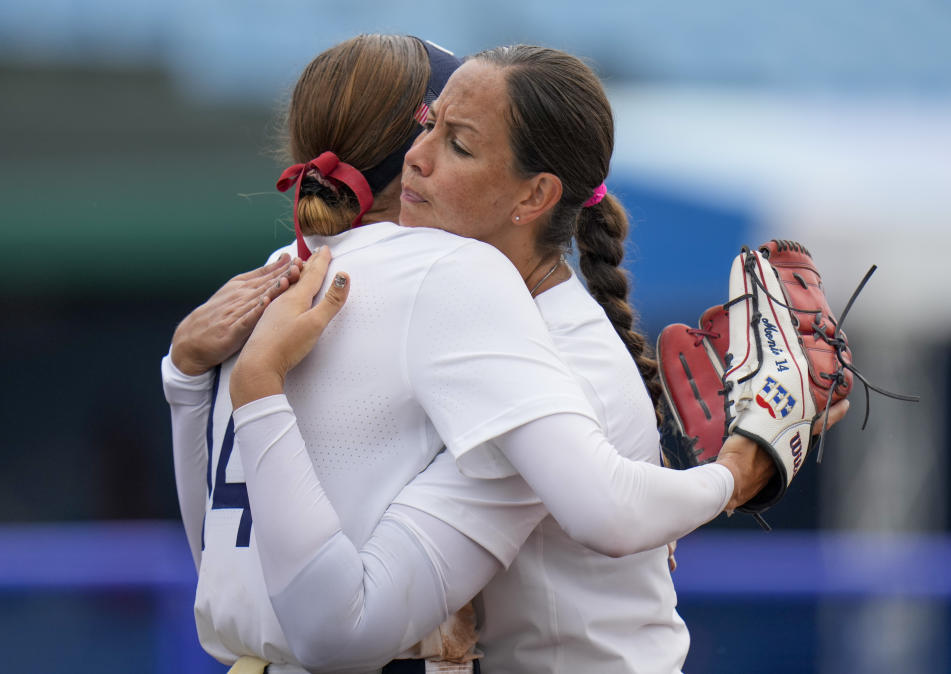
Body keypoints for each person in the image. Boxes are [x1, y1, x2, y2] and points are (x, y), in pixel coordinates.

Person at [164, 38, 842, 673]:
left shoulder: (304, 282)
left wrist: (738, 469)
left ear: (534, 195)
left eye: (456, 142)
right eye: (426, 127)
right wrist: (730, 475)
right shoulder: (411, 303)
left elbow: (605, 510)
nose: (419, 158)